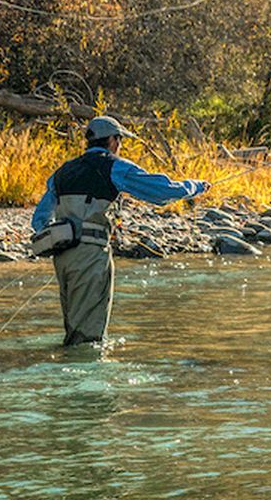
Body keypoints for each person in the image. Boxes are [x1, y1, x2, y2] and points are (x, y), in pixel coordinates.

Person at [31, 115, 207, 345]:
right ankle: (83, 377)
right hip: (91, 256)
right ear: (113, 140)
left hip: (63, 256)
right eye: (120, 141)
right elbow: (162, 191)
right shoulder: (114, 167)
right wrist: (195, 186)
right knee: (88, 337)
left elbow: (40, 220)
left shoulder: (62, 172)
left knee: (74, 328)